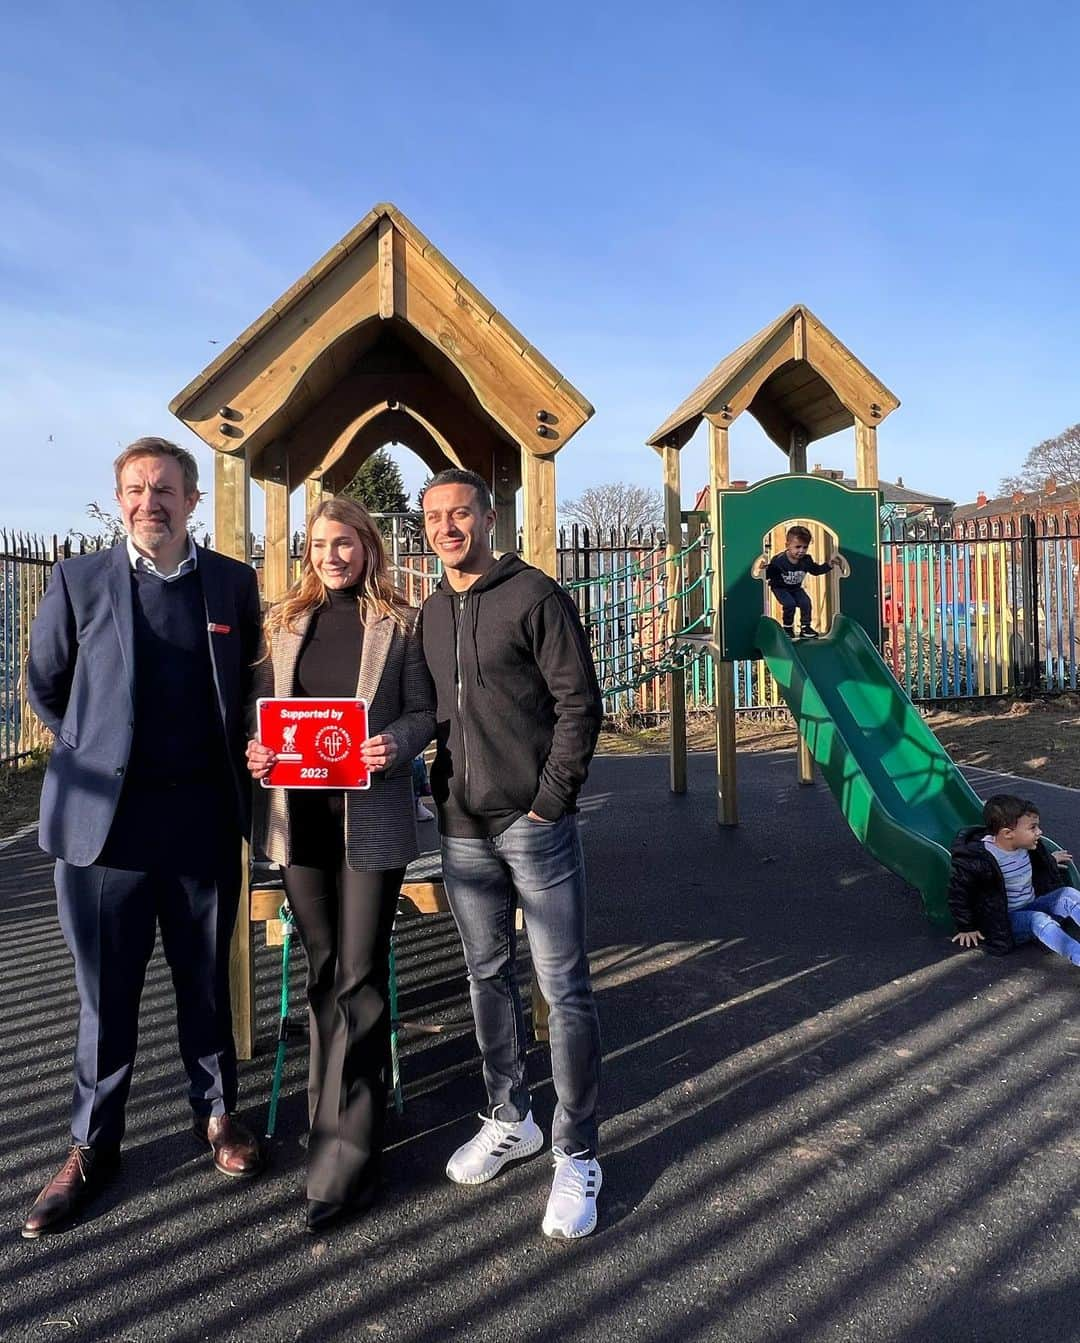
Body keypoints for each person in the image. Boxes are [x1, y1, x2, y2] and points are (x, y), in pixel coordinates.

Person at [22, 438, 264, 1240]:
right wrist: (95, 751)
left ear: (193, 499)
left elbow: (249, 694)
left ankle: (218, 1116)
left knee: (205, 986)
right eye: (134, 488)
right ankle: (92, 1146)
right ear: (118, 497)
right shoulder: (78, 580)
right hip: (104, 836)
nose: (148, 501)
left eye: (164, 488)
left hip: (199, 823)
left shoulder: (232, 583)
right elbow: (44, 685)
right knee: (106, 995)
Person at [420, 468, 605, 1240]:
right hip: (462, 828)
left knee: (564, 987)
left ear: (490, 519)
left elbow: (579, 703)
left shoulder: (534, 597)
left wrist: (551, 796)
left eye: (461, 512)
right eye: (435, 516)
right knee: (486, 976)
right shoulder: (430, 610)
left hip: (533, 824)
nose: (448, 526)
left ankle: (578, 1150)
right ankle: (510, 1118)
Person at [245, 498, 434, 1233]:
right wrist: (257, 753)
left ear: (368, 546)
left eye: (346, 542)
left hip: (371, 823)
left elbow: (423, 712)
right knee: (323, 969)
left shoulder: (401, 624)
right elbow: (259, 715)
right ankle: (331, 1124)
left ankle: (351, 1149)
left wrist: (396, 744)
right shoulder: (282, 623)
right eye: (321, 544)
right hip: (301, 827)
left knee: (359, 972)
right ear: (308, 551)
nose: (333, 554)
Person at [948, 793, 1080, 964]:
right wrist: (966, 927)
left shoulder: (1027, 846)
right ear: (1008, 833)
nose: (1039, 832)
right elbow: (959, 893)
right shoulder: (979, 860)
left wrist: (1051, 860)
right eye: (1032, 828)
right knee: (1038, 920)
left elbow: (1037, 865)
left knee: (1068, 894)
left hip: (1032, 904)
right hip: (1005, 921)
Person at [764, 525, 837, 639]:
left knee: (806, 602)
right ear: (787, 545)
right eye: (798, 547)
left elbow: (815, 570)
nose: (801, 551)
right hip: (780, 587)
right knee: (789, 604)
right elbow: (768, 574)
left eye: (805, 547)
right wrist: (762, 569)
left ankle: (805, 627)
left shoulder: (806, 560)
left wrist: (829, 565)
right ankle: (787, 628)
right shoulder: (779, 561)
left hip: (795, 588)